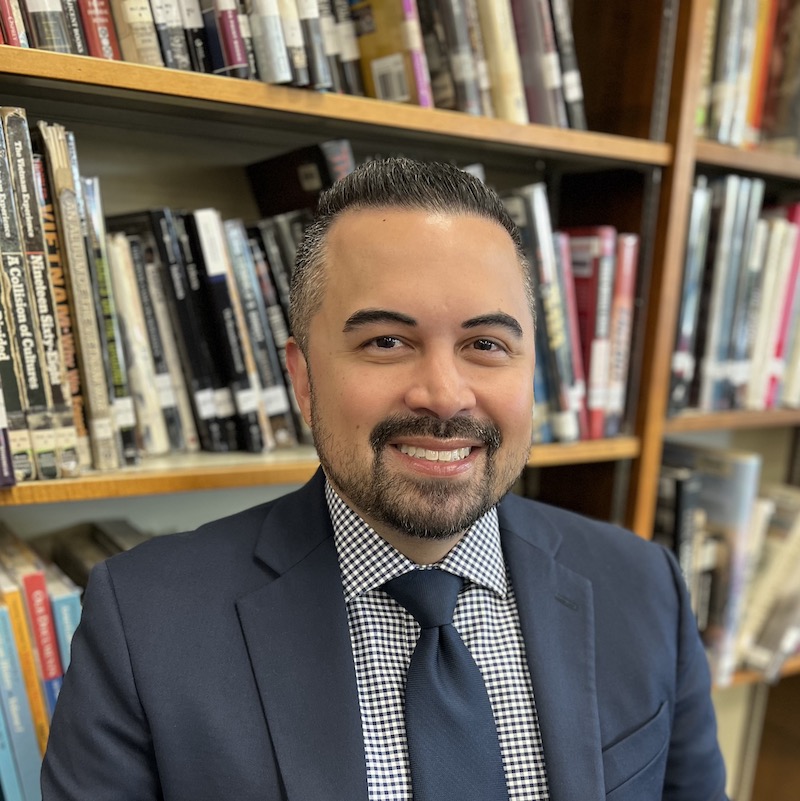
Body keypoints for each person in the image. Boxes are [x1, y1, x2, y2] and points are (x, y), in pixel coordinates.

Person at [41, 157, 728, 800]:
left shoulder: (646, 590)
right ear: (304, 378)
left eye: (485, 344)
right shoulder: (144, 622)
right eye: (386, 342)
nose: (444, 394)